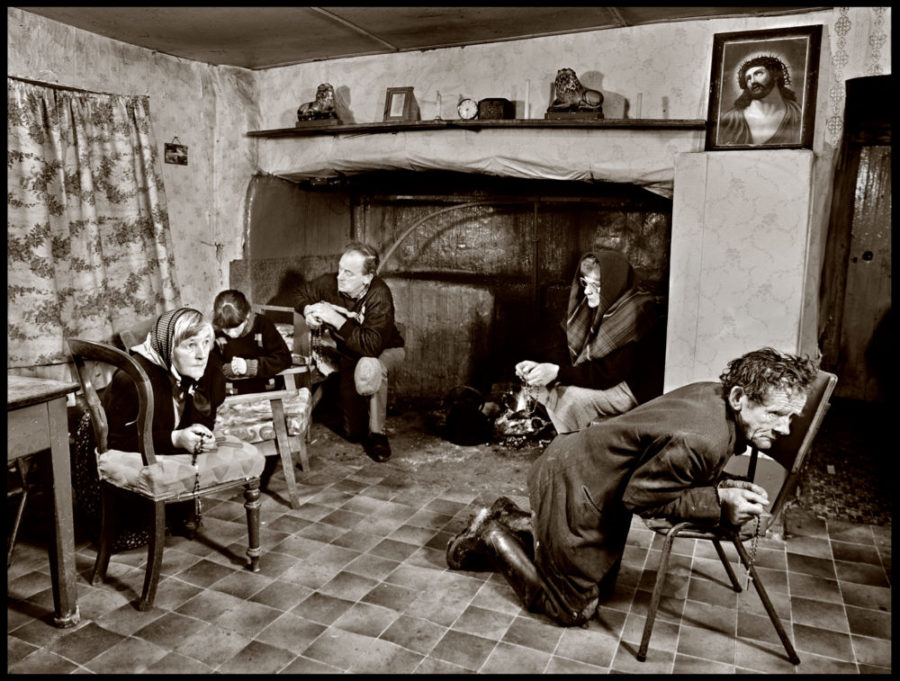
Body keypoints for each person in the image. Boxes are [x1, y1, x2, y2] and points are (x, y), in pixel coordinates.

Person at [447, 347, 818, 627]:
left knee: (601, 587)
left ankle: (513, 518)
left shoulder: (716, 395)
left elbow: (673, 470)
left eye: (791, 416)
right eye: (775, 414)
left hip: (588, 476)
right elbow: (641, 497)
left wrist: (723, 487)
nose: (785, 428)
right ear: (739, 397)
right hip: (574, 484)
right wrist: (719, 503)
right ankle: (490, 532)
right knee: (573, 607)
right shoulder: (704, 438)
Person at [102, 307, 227, 534]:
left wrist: (202, 431)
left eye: (206, 342)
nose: (201, 354)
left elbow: (207, 410)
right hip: (115, 441)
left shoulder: (207, 365)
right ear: (169, 347)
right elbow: (116, 441)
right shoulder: (134, 380)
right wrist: (176, 438)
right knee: (133, 529)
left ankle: (176, 511)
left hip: (157, 442)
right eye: (190, 345)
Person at [515, 250, 664, 434]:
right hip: (601, 377)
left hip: (627, 388)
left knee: (569, 399)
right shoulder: (586, 307)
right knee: (542, 388)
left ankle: (573, 448)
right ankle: (570, 440)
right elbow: (564, 352)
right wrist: (540, 369)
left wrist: (557, 372)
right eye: (585, 282)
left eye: (596, 285)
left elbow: (609, 374)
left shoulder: (636, 313)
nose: (587, 291)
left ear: (613, 285)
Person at [294, 242, 405, 462]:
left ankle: (378, 433)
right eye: (340, 269)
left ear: (367, 278)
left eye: (349, 273)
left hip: (384, 350)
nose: (340, 277)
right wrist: (308, 311)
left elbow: (371, 347)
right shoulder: (330, 283)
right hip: (349, 352)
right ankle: (361, 417)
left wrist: (334, 318)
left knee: (370, 367)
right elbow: (300, 293)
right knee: (353, 433)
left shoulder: (379, 294)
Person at [212, 289, 292, 395]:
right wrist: (227, 369)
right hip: (232, 396)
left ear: (247, 316)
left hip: (266, 392)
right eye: (225, 329)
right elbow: (211, 364)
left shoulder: (263, 326)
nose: (230, 333)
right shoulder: (217, 332)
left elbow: (284, 359)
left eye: (235, 327)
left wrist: (250, 367)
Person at [718, 55, 802, 146]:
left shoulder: (799, 114)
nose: (752, 81)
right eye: (748, 78)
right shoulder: (731, 119)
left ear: (775, 75)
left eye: (758, 74)